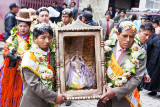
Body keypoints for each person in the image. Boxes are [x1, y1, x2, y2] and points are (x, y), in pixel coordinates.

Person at [97, 21, 146, 107]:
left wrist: (115, 92)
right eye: (125, 36)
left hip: (122, 100)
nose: (128, 40)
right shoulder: (107, 47)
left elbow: (136, 79)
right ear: (117, 34)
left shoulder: (139, 53)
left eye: (131, 37)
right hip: (103, 98)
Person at [20, 23, 66, 107]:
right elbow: (34, 84)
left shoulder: (53, 54)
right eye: (43, 38)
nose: (47, 41)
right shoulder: (29, 57)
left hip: (49, 101)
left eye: (49, 38)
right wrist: (54, 96)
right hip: (34, 101)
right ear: (35, 39)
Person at [0, 8, 33, 107]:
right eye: (20, 26)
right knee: (8, 89)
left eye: (25, 26)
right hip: (10, 68)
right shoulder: (12, 37)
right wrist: (8, 54)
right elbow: (6, 49)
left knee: (20, 92)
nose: (22, 28)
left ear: (29, 27)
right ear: (17, 26)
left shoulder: (32, 40)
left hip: (23, 71)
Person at [135, 22, 155, 91]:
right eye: (146, 34)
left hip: (138, 80)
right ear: (140, 31)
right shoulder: (131, 42)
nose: (147, 38)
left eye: (150, 36)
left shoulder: (145, 45)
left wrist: (145, 73)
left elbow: (143, 61)